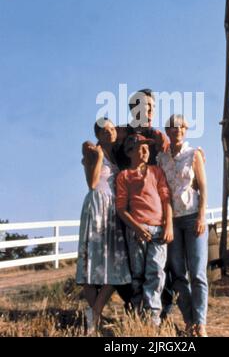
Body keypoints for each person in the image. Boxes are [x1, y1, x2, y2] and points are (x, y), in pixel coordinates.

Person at [76, 118, 131, 333]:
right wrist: (98, 156)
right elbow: (91, 182)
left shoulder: (115, 155)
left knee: (117, 266)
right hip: (96, 205)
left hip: (112, 210)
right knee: (90, 265)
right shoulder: (93, 152)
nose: (110, 133)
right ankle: (95, 320)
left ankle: (94, 312)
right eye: (105, 130)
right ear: (98, 135)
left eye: (112, 129)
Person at [157, 114, 209, 337]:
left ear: (185, 130)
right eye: (172, 127)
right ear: (167, 132)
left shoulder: (194, 154)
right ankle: (189, 321)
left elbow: (203, 188)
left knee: (197, 273)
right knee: (178, 274)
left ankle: (201, 322)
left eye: (181, 127)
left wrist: (201, 216)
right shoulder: (162, 159)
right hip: (173, 221)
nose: (177, 130)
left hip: (192, 217)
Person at [116, 134, 173, 326]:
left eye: (147, 148)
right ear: (130, 151)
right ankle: (136, 318)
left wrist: (168, 225)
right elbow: (121, 209)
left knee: (156, 273)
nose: (146, 151)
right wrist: (137, 228)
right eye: (141, 148)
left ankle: (153, 320)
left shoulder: (156, 172)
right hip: (136, 231)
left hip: (158, 230)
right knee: (138, 275)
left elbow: (166, 199)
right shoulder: (124, 176)